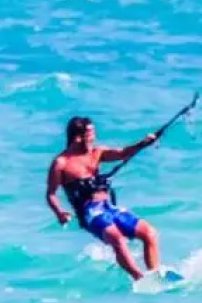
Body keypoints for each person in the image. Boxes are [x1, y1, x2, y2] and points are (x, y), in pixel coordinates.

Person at [46, 115, 163, 282]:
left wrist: (143, 143)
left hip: (108, 207)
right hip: (90, 212)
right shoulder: (61, 163)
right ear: (78, 137)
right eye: (90, 134)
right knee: (117, 239)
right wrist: (59, 213)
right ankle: (139, 278)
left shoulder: (97, 153)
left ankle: (155, 276)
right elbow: (51, 194)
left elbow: (123, 153)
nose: (94, 138)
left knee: (149, 233)